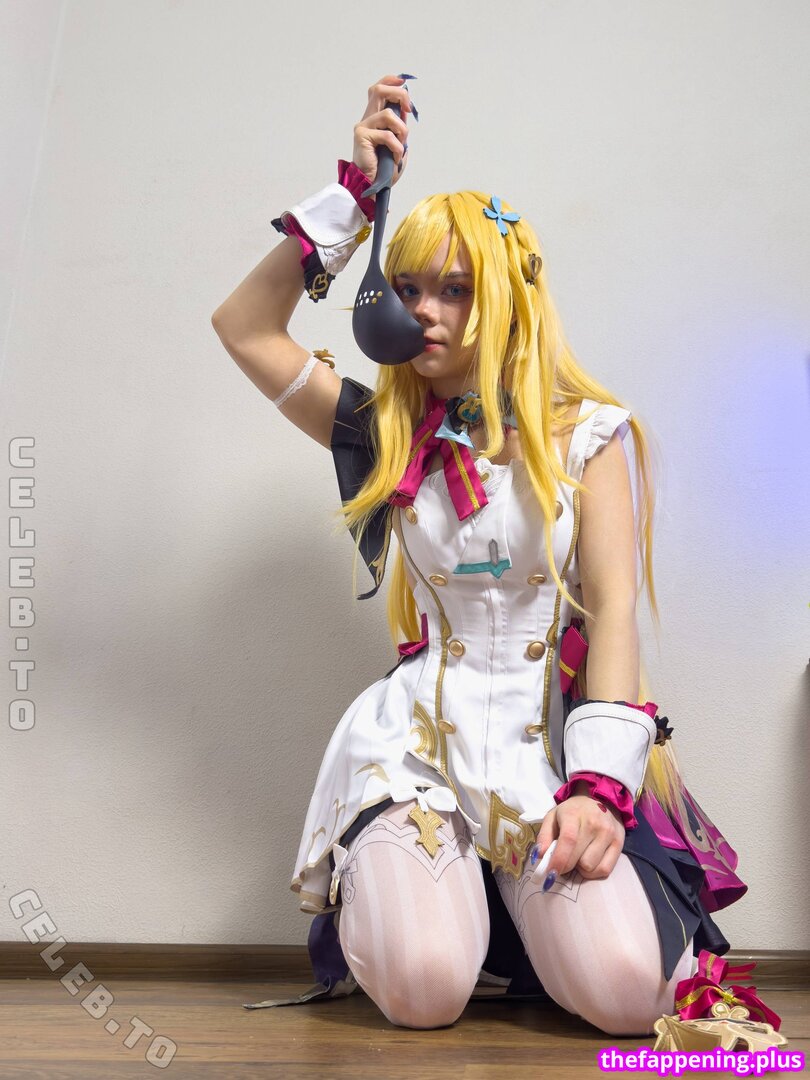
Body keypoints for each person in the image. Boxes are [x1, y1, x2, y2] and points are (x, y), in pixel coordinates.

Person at [212, 74, 751, 1035]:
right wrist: (354, 200)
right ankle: (419, 898)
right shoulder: (381, 432)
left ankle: (503, 910)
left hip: (547, 759)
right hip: (415, 755)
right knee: (423, 992)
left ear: (502, 297)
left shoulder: (590, 438)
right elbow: (244, 326)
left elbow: (612, 615)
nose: (425, 310)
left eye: (454, 289)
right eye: (409, 288)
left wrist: (598, 792)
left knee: (628, 994)